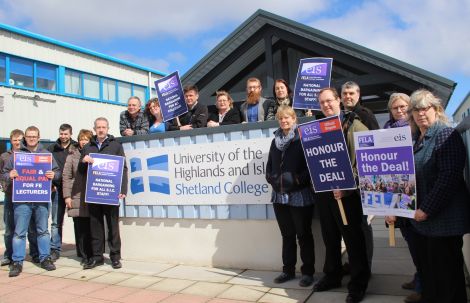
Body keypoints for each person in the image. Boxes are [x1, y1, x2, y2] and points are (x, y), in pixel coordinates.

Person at [408, 89, 470, 303]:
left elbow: (449, 177)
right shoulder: (418, 138)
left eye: (425, 108)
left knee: (448, 277)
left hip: (444, 220)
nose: (420, 113)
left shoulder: (445, 134)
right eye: (415, 109)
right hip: (426, 223)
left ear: (436, 110)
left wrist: (426, 209)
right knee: (433, 274)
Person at [314, 88, 370, 303]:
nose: (326, 105)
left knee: (353, 239)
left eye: (329, 100)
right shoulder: (318, 128)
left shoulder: (354, 125)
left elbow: (363, 161)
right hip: (325, 193)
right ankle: (333, 275)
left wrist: (348, 186)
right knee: (330, 237)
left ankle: (358, 284)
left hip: (348, 194)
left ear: (338, 100)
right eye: (322, 102)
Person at [265, 106, 315, 287]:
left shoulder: (301, 139)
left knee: (303, 235)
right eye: (281, 118)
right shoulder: (274, 141)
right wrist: (272, 178)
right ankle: (288, 270)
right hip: (279, 196)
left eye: (287, 118)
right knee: (287, 235)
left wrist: (295, 180)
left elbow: (310, 167)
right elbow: (269, 166)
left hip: (299, 194)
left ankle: (308, 272)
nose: (284, 121)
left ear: (294, 119)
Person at [1, 126, 59, 277]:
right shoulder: (16, 155)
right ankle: (17, 262)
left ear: (39, 138)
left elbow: (58, 173)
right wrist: (10, 175)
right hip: (22, 200)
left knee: (43, 231)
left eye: (34, 136)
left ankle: (45, 258)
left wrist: (54, 174)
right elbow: (5, 174)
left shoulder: (47, 155)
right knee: (19, 233)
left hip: (41, 200)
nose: (32, 138)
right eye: (29, 136)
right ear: (25, 138)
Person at [383, 93, 422, 303]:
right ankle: (419, 278)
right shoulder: (386, 131)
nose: (400, 111)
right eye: (396, 107)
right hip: (397, 193)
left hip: (415, 194)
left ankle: (423, 287)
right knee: (409, 239)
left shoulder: (416, 131)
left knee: (418, 243)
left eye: (404, 107)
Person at [80, 117, 128, 270]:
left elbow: (123, 168)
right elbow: (81, 172)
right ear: (94, 129)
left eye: (103, 127)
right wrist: (83, 161)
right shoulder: (88, 147)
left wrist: (122, 189)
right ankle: (97, 257)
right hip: (94, 193)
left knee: (113, 226)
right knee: (96, 226)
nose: (101, 130)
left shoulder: (116, 146)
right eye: (98, 127)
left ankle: (115, 257)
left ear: (107, 129)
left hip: (110, 192)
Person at [341, 81, 376, 272]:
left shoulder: (366, 115)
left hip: (362, 182)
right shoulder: (341, 117)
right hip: (346, 183)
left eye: (351, 93)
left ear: (358, 93)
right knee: (352, 227)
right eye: (345, 93)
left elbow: (375, 145)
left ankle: (366, 265)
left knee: (363, 226)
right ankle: (355, 263)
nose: (348, 96)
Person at [62, 129, 93, 265]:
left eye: (87, 139)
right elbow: (66, 176)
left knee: (91, 226)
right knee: (79, 226)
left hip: (91, 195)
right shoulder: (72, 155)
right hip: (76, 195)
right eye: (82, 139)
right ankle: (83, 254)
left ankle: (92, 253)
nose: (84, 141)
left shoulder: (95, 153)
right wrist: (67, 196)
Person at [47, 123, 76, 261]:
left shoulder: (75, 147)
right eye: (61, 134)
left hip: (73, 190)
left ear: (70, 134)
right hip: (57, 189)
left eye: (66, 134)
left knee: (79, 220)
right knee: (56, 221)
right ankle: (55, 249)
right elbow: (46, 168)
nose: (63, 136)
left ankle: (82, 249)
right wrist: (51, 183)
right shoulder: (51, 148)